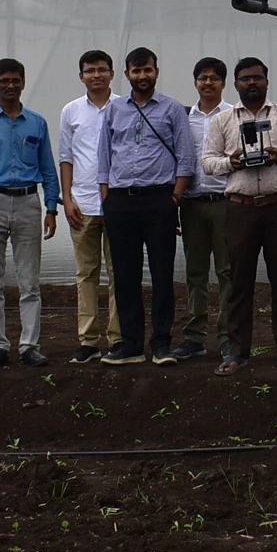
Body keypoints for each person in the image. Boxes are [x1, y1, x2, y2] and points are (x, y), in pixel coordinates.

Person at [201, 57, 277, 374]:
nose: (252, 83)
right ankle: (237, 351)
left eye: (257, 78)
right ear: (235, 83)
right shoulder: (223, 120)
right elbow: (208, 161)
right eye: (245, 79)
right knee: (239, 281)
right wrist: (231, 162)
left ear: (267, 81)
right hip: (240, 208)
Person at [95, 47, 196, 365]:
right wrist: (106, 197)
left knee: (162, 274)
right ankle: (131, 345)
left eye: (147, 70)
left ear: (156, 71)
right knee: (124, 276)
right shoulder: (114, 110)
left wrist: (176, 197)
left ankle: (162, 344)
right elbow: (104, 156)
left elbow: (186, 157)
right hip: (121, 201)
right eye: (136, 71)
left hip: (160, 201)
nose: (142, 76)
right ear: (126, 74)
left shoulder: (172, 109)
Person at [0, 58, 61, 369]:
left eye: (15, 80)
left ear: (23, 82)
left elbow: (48, 168)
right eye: (3, 80)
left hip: (28, 202)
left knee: (29, 281)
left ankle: (30, 345)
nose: (9, 85)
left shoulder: (37, 123)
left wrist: (51, 206)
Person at [58, 50, 124, 364]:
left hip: (118, 202)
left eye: (101, 70)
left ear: (112, 73)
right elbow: (66, 158)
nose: (95, 75)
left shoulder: (125, 108)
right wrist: (67, 199)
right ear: (81, 75)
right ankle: (87, 340)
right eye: (89, 70)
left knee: (119, 272)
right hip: (82, 205)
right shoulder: (70, 111)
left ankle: (118, 338)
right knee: (86, 274)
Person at [176, 56, 235, 361]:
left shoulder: (234, 116)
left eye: (214, 77)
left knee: (227, 272)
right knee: (196, 272)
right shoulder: (184, 117)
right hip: (192, 204)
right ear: (195, 82)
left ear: (223, 83)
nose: (208, 82)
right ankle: (194, 336)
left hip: (225, 203)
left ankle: (227, 337)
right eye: (202, 77)